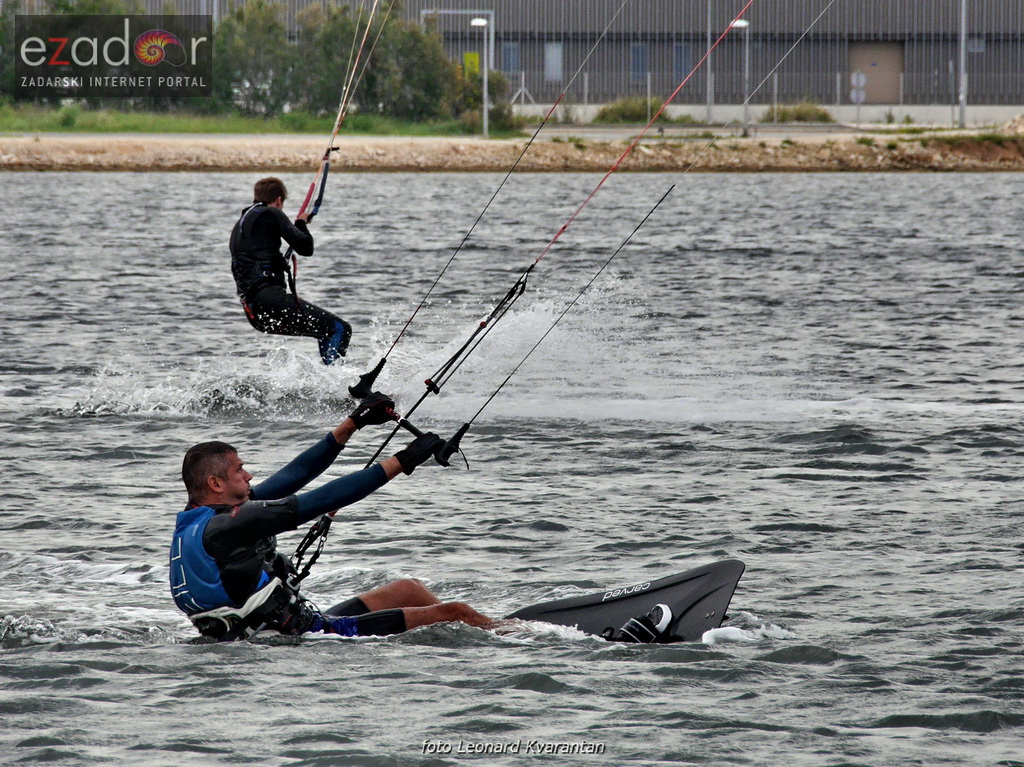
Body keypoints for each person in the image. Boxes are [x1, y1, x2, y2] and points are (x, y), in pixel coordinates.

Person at [169, 392, 492, 641]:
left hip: (290, 624)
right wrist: (404, 460)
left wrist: (355, 422)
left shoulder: (204, 523)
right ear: (215, 483)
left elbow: (295, 474)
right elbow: (322, 499)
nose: (250, 476)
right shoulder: (230, 525)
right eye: (240, 470)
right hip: (305, 636)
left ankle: (489, 630)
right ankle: (524, 638)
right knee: (456, 613)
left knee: (408, 589)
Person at [230, 176, 353, 365]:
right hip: (271, 302)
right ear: (279, 200)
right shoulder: (271, 213)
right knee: (339, 328)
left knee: (325, 330)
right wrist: (301, 223)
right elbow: (305, 247)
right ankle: (341, 387)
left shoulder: (240, 225)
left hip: (254, 312)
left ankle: (332, 385)